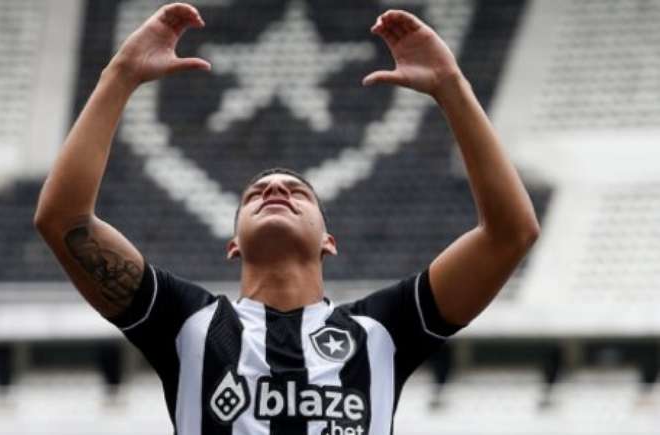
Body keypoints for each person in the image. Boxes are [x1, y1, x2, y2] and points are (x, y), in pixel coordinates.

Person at [34, 3, 540, 434]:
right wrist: (118, 75)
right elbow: (63, 220)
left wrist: (452, 86)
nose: (276, 188)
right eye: (256, 193)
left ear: (329, 241)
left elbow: (510, 234)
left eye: (298, 191)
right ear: (233, 243)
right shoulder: (188, 324)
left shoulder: (380, 331)